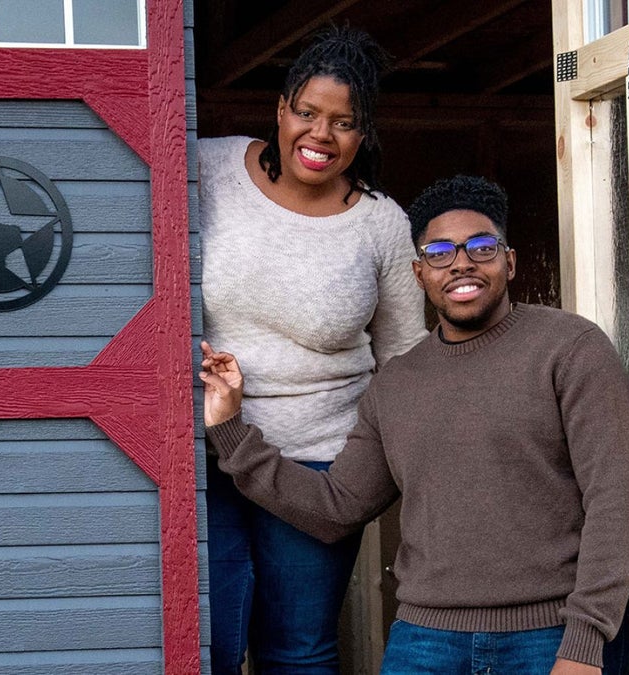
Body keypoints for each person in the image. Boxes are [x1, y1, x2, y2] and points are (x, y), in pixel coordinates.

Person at [200, 175, 629, 674]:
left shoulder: (570, 348)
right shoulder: (397, 384)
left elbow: (614, 499)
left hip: (550, 635)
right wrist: (232, 432)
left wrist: (586, 640)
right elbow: (337, 506)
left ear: (510, 262)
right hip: (425, 642)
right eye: (439, 252)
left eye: (482, 247)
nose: (461, 263)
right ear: (418, 273)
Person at [197, 25, 427, 675]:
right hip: (200, 454)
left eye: (344, 122)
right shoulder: (208, 169)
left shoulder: (381, 223)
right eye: (307, 112)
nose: (321, 134)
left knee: (298, 651)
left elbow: (405, 360)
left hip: (318, 466)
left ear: (364, 133)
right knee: (208, 641)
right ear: (280, 110)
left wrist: (380, 471)